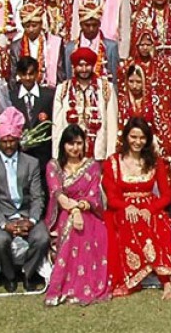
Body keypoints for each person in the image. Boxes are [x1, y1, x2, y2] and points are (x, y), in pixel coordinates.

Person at [103, 118, 171, 299]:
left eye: (142, 138)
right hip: (122, 209)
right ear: (126, 137)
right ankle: (150, 278)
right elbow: (111, 197)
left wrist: (150, 208)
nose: (137, 142)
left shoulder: (155, 162)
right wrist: (127, 206)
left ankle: (167, 279)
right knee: (133, 221)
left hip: (150, 207)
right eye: (133, 137)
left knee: (158, 223)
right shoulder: (113, 162)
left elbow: (167, 195)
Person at [0, 107, 50, 292]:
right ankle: (9, 275)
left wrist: (32, 220)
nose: (9, 145)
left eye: (12, 141)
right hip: (4, 216)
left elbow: (37, 196)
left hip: (27, 214)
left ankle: (28, 273)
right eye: (5, 141)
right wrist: (4, 224)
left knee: (42, 238)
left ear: (18, 140)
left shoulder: (31, 163)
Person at [44, 124, 111, 306]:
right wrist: (74, 211)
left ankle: (87, 284)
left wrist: (80, 208)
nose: (75, 148)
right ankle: (65, 286)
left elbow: (93, 196)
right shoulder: (53, 166)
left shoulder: (92, 166)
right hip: (63, 212)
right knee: (72, 227)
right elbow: (59, 195)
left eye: (79, 143)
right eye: (70, 143)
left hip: (88, 211)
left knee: (98, 231)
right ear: (63, 145)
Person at [52, 47, 118, 162]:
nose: (84, 69)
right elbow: (57, 127)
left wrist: (110, 157)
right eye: (80, 65)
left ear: (93, 66)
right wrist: (57, 156)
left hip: (98, 154)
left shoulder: (106, 88)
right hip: (70, 155)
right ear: (74, 67)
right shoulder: (63, 89)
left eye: (87, 65)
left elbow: (112, 126)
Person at [9, 56, 55, 175]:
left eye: (31, 74)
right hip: (20, 157)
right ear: (19, 74)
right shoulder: (12, 97)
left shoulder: (48, 96)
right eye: (24, 74)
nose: (28, 78)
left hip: (43, 157)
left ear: (37, 73)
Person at [9, 3, 65, 88]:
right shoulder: (16, 46)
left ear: (41, 24)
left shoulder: (54, 43)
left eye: (34, 26)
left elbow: (60, 73)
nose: (31, 29)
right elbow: (13, 75)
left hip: (48, 88)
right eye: (27, 26)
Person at [64, 1, 120, 81]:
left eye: (94, 25)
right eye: (87, 25)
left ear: (99, 24)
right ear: (81, 25)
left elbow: (114, 78)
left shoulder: (111, 47)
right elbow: (69, 78)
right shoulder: (70, 48)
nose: (91, 29)